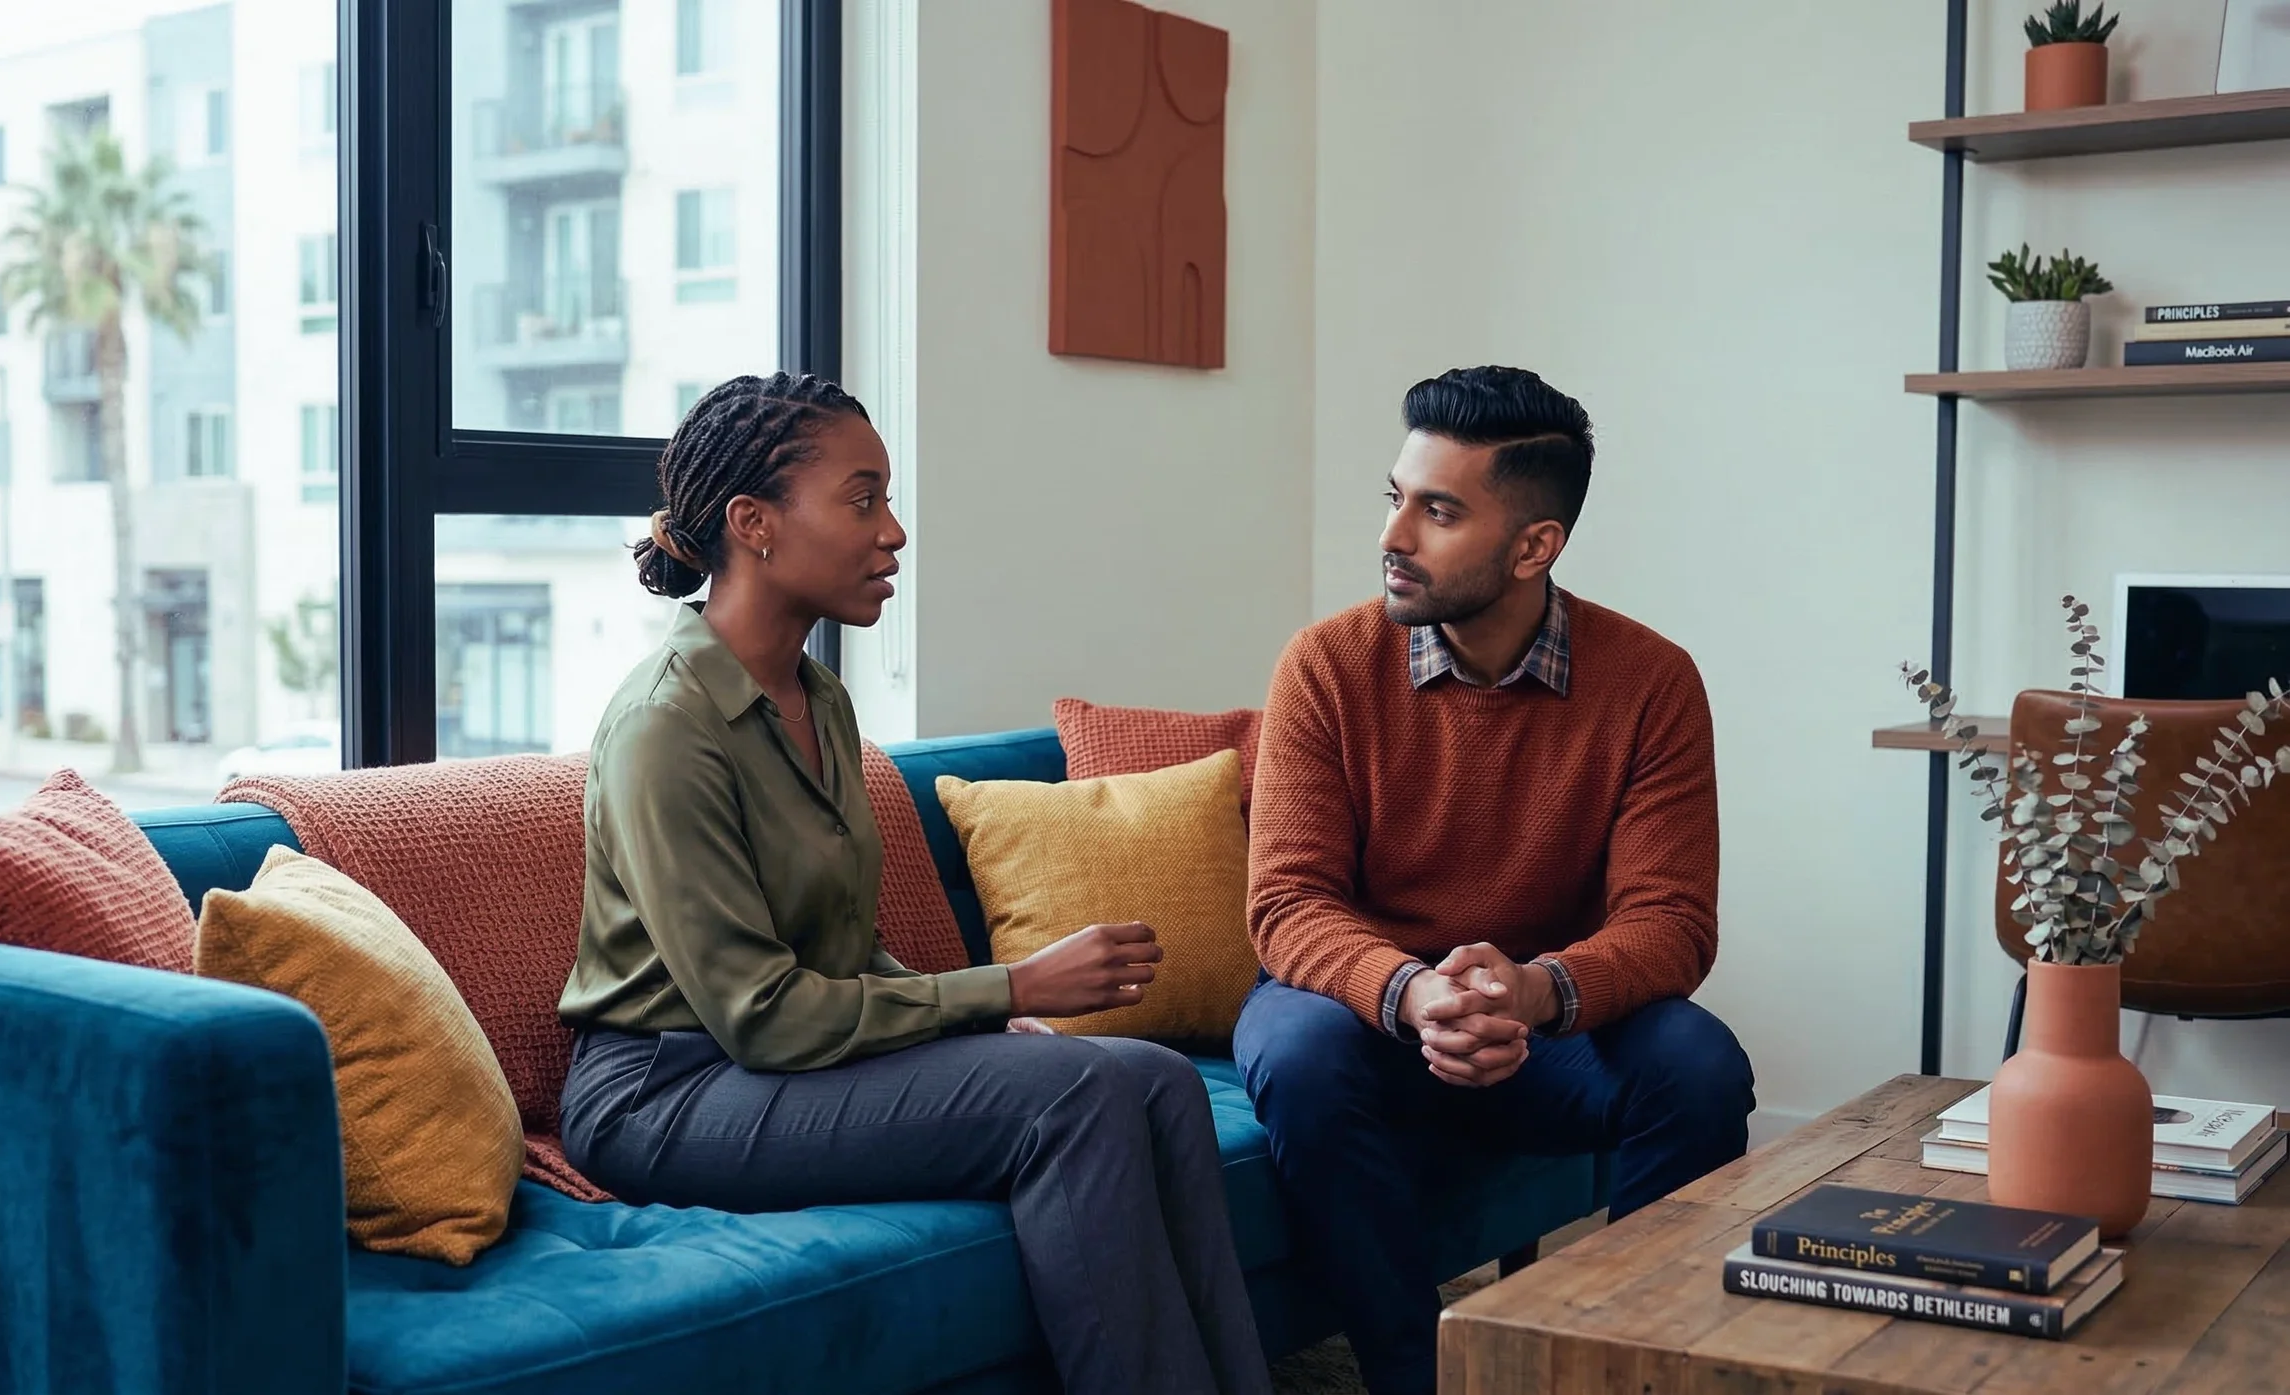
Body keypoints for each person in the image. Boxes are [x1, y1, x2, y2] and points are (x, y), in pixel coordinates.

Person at [556, 371, 1271, 1395]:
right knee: (1073, 1093)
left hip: (769, 1063)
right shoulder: (666, 728)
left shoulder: (819, 698)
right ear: (753, 523)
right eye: (862, 499)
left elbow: (840, 947)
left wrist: (965, 1026)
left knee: (1152, 1077)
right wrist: (1008, 990)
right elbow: (759, 1013)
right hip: (668, 1090)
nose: (892, 531)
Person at [1232, 365, 1754, 1395]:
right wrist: (1413, 991)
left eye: (1436, 512)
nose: (1392, 537)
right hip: (1368, 1021)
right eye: (1394, 499)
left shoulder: (1649, 681)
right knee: (1295, 1051)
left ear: (1533, 546)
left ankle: (1623, 1368)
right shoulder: (1325, 666)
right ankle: (1413, 1377)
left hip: (1540, 1030)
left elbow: (1671, 919)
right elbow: (1286, 904)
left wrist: (1531, 990)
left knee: (1696, 1064)